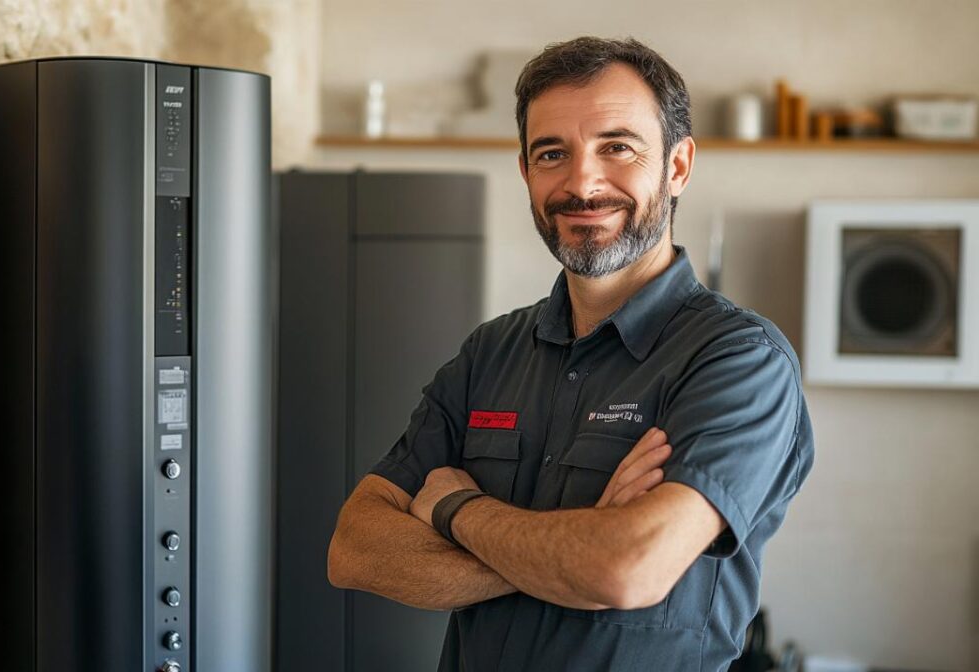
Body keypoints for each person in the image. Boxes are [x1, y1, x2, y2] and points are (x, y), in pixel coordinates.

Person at [326, 36, 815, 672]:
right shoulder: (491, 352)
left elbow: (625, 570)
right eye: (552, 152)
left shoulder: (740, 361)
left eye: (617, 147)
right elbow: (355, 549)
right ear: (526, 172)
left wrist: (456, 509)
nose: (582, 183)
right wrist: (574, 546)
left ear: (677, 166)